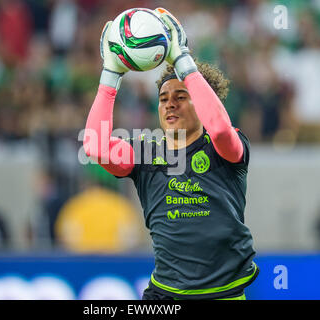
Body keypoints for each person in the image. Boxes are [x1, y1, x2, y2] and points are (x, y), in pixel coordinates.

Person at [83, 8, 258, 300]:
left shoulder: (225, 147)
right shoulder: (145, 153)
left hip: (223, 294)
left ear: (200, 103)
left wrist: (181, 59)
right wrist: (111, 74)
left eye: (181, 97)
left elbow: (219, 129)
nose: (169, 105)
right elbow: (95, 147)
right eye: (163, 99)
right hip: (165, 295)